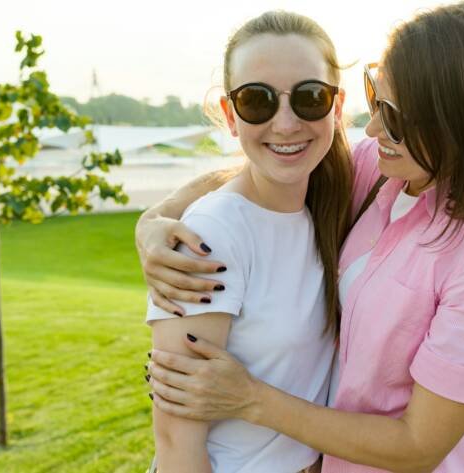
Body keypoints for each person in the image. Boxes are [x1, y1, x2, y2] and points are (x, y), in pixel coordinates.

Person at [142, 3, 464, 471]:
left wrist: (251, 399)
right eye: (376, 100)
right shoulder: (384, 171)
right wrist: (155, 219)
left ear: (460, 123)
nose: (373, 129)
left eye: (393, 117)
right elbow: (278, 163)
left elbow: (419, 445)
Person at [143, 10, 353, 472]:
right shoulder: (210, 236)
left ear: (336, 109)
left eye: (310, 97)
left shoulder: (328, 201)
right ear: (230, 115)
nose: (285, 124)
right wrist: (156, 218)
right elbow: (176, 442)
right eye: (257, 101)